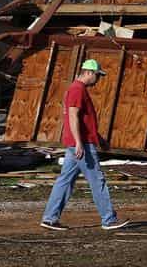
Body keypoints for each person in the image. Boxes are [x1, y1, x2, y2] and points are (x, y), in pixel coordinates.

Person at [40, 58, 130, 231]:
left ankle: (50, 218)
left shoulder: (76, 89)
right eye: (98, 75)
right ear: (88, 73)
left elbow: (83, 121)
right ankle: (109, 219)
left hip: (78, 143)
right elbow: (73, 116)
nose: (98, 79)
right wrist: (80, 142)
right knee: (97, 180)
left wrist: (99, 138)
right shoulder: (77, 89)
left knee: (65, 181)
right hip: (81, 145)